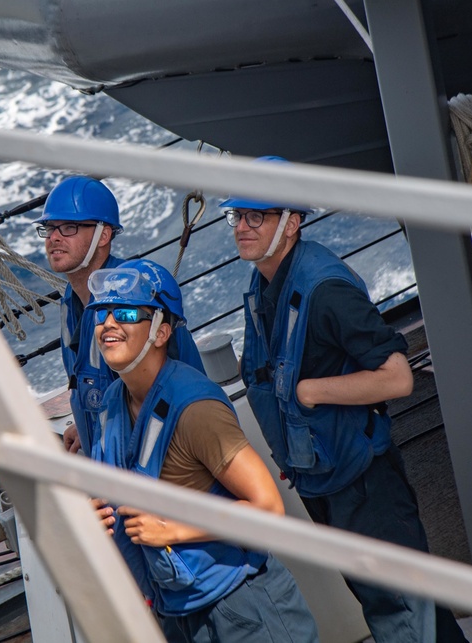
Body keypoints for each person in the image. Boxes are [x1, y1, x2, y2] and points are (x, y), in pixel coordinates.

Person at [223, 157, 467, 642]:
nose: (242, 227)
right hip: (321, 479)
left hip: (364, 484)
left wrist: (311, 391)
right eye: (237, 216)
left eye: (257, 216)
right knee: (387, 603)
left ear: (291, 223)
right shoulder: (264, 282)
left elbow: (397, 378)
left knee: (402, 606)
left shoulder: (326, 289)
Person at [85, 258, 319, 643]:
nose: (108, 323)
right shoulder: (111, 405)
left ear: (161, 332)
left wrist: (171, 529)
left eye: (125, 313)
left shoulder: (196, 409)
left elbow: (269, 508)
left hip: (244, 607)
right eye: (101, 314)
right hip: (177, 611)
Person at [36, 176, 205, 455]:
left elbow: (174, 399)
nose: (54, 237)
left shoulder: (136, 300)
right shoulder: (70, 300)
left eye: (69, 227)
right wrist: (86, 427)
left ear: (103, 235)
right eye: (50, 228)